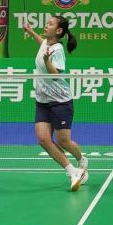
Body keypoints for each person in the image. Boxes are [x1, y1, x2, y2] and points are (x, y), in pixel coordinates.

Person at [19, 15, 88, 191]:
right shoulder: (46, 44)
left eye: (50, 24)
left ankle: (81, 159)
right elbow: (42, 43)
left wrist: (46, 61)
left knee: (64, 141)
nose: (46, 25)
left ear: (58, 31)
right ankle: (72, 171)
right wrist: (31, 32)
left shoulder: (57, 49)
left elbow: (55, 75)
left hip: (60, 101)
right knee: (43, 139)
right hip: (42, 101)